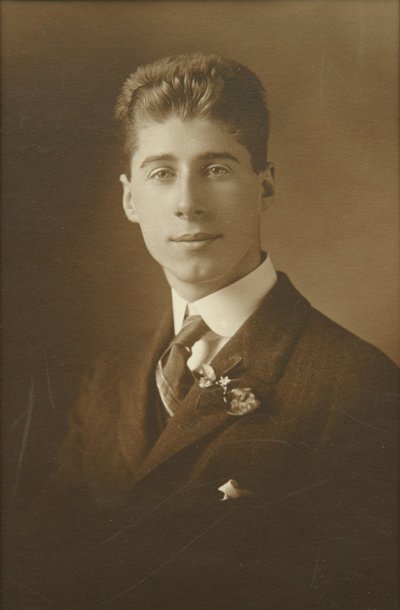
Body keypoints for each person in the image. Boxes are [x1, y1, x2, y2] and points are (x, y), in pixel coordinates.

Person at [8, 53, 398, 610]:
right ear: (129, 199)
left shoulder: (356, 385)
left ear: (264, 186)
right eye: (162, 173)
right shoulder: (108, 380)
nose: (187, 204)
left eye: (216, 169)